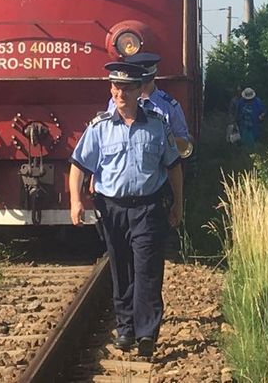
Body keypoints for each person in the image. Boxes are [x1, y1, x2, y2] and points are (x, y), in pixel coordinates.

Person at [70, 61, 184, 358]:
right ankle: (125, 329)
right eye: (116, 87)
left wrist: (178, 204)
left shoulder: (158, 125)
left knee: (147, 269)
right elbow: (79, 165)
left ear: (139, 90)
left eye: (127, 88)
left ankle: (146, 333)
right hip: (113, 209)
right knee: (121, 268)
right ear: (111, 89)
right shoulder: (99, 128)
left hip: (148, 207)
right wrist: (75, 201)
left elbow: (174, 167)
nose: (120, 93)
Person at [106, 52, 193, 157]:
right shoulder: (117, 102)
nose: (142, 86)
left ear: (154, 75)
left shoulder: (169, 107)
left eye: (145, 82)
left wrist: (161, 141)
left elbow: (183, 143)